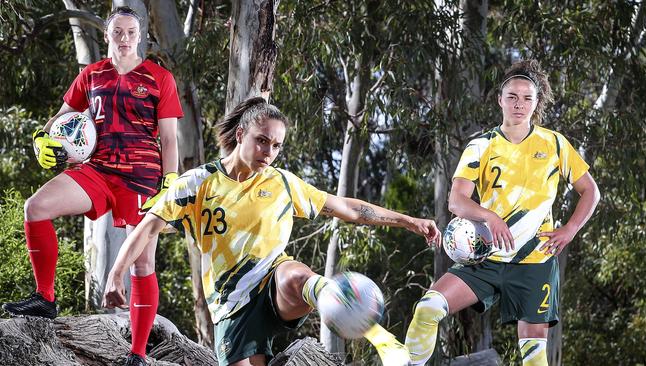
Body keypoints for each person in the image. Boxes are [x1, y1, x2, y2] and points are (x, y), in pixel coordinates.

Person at [102, 97, 442, 366]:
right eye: (262, 141)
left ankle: (382, 338)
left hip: (273, 284)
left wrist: (408, 221)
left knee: (295, 274)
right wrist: (117, 274)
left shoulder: (282, 183)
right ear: (240, 135)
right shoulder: (197, 183)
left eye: (277, 146)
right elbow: (147, 229)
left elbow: (347, 208)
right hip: (229, 304)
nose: (269, 152)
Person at [1, 6, 183, 365]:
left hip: (142, 176)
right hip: (97, 169)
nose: (125, 39)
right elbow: (60, 118)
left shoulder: (160, 78)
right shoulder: (91, 75)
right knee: (36, 208)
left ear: (141, 36)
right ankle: (45, 298)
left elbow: (170, 140)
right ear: (107, 36)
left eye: (132, 32)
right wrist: (41, 139)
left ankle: (138, 353)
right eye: (118, 32)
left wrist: (171, 183)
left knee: (142, 264)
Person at [404, 60, 600, 366]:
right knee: (427, 308)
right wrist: (489, 217)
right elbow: (456, 201)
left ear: (536, 104)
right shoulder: (481, 145)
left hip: (534, 262)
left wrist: (570, 229)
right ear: (500, 100)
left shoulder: (554, 144)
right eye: (512, 96)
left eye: (527, 98)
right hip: (485, 257)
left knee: (534, 357)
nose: (519, 104)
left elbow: (591, 190)